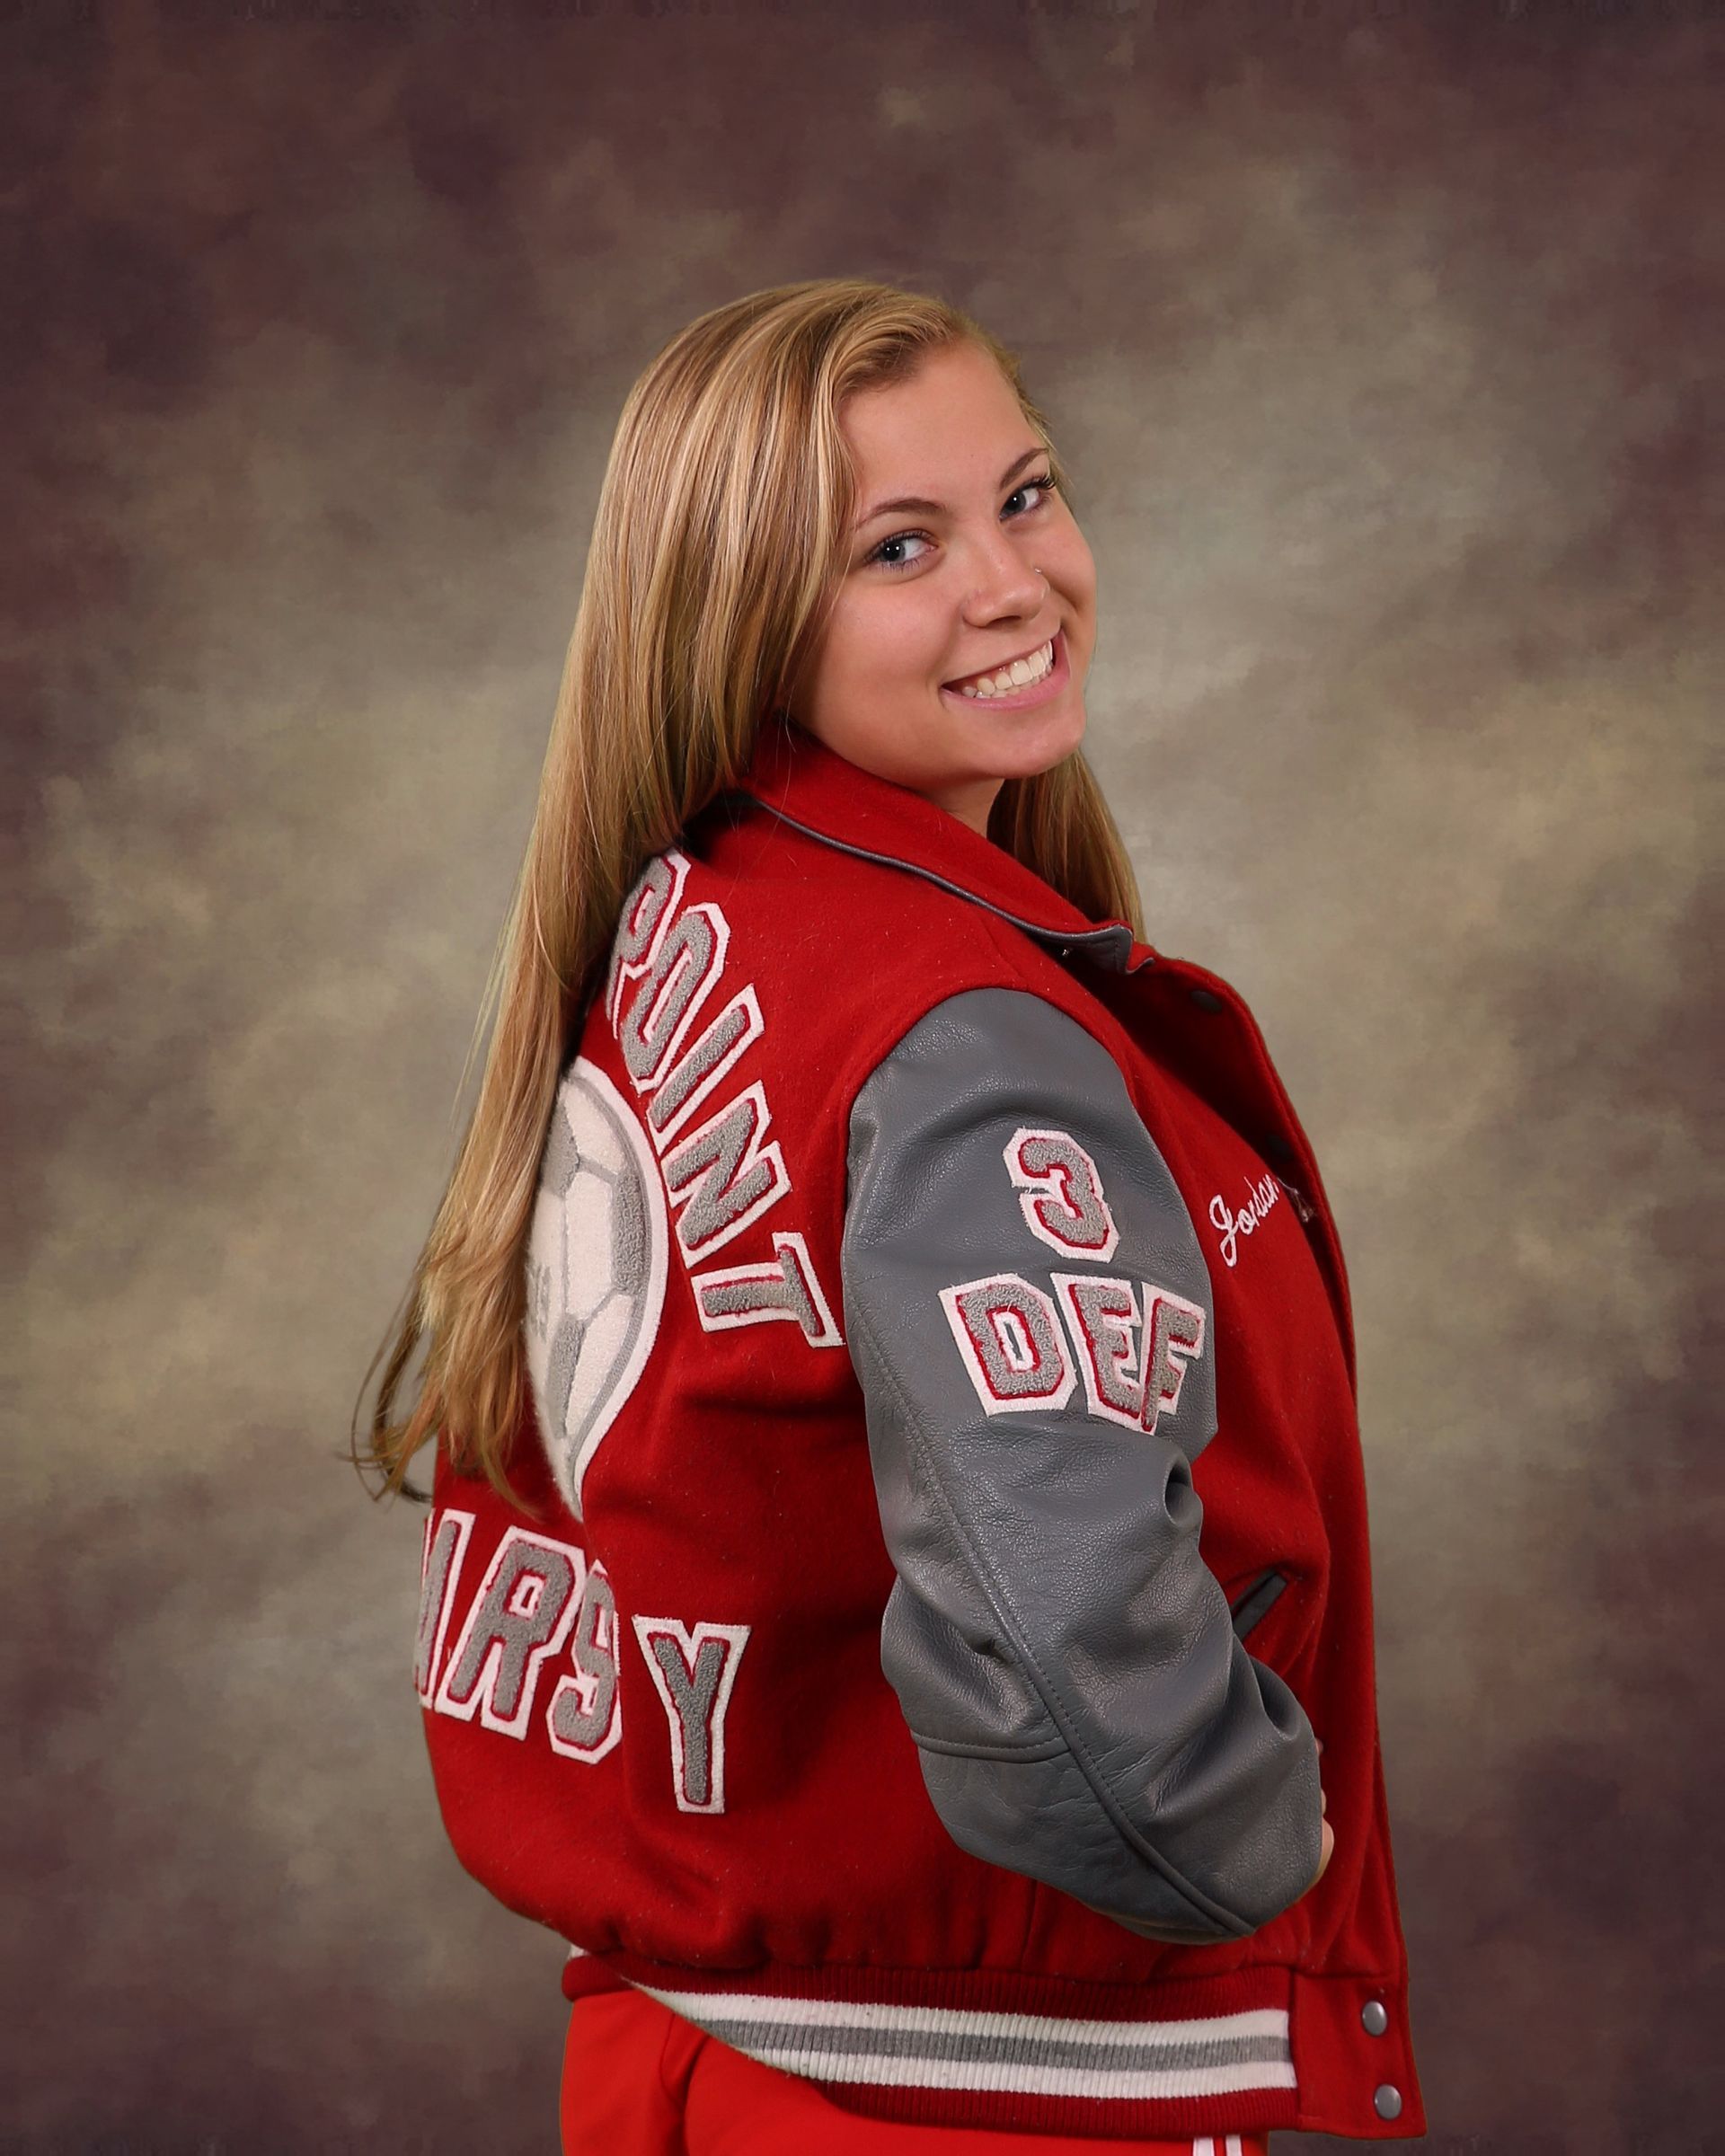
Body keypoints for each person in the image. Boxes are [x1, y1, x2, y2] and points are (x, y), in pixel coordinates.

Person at [356, 278, 1426, 2153]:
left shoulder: (695, 908)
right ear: (750, 620)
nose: (1015, 584)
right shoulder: (956, 1037)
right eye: (900, 548)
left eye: (1026, 494)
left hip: (698, 2056)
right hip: (965, 2093)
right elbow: (1064, 1666)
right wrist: (1254, 1829)